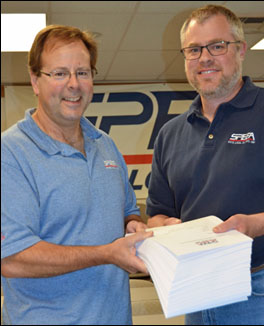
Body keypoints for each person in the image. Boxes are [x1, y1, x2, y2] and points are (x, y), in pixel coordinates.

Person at [146, 5, 264, 325]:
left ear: (241, 50)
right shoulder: (170, 135)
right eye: (193, 49)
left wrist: (255, 225)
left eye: (217, 46)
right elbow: (157, 215)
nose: (204, 58)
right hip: (196, 287)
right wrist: (166, 228)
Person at [1, 25, 152, 325]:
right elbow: (12, 259)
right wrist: (106, 254)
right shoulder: (11, 153)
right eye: (59, 73)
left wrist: (134, 226)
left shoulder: (105, 144)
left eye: (82, 72)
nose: (74, 84)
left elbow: (127, 212)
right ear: (35, 80)